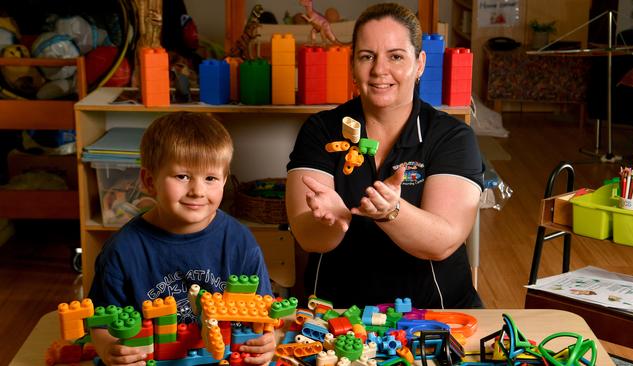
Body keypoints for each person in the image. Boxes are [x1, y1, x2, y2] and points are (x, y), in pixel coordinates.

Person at [286, 3, 483, 310]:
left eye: (396, 56)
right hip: (337, 314)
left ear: (419, 64)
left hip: (436, 314)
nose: (379, 70)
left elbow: (443, 240)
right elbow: (308, 237)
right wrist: (335, 222)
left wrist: (391, 212)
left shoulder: (450, 137)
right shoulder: (321, 130)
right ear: (353, 64)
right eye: (367, 56)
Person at [88, 112, 276, 366]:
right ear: (149, 181)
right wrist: (109, 348)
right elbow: (101, 323)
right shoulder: (122, 250)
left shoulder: (240, 242)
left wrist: (268, 340)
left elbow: (264, 315)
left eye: (210, 178)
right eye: (182, 176)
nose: (198, 191)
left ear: (224, 181)